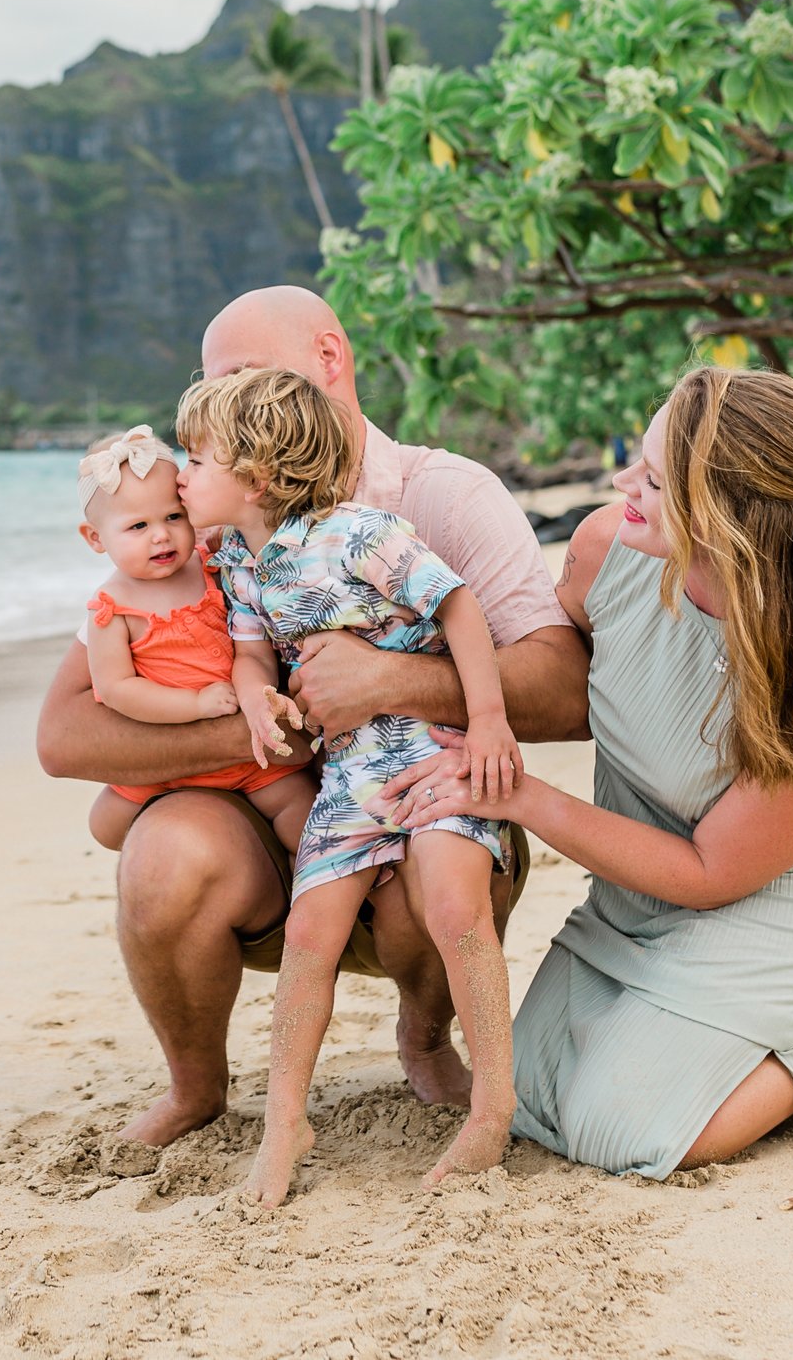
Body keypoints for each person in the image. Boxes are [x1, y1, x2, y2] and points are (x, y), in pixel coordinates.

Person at [34, 286, 590, 1147]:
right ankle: (199, 1088)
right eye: (213, 394)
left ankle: (426, 1038)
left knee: (433, 868)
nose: (226, 410)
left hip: (418, 791)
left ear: (329, 361)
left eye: (245, 378)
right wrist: (266, 720)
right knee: (162, 854)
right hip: (281, 815)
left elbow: (564, 687)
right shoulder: (201, 523)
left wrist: (390, 681)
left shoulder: (438, 498)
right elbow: (63, 736)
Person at [388, 366, 793, 1178]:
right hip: (638, 892)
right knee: (537, 1097)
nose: (624, 484)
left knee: (634, 1131)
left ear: (728, 515)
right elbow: (548, 676)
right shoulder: (603, 549)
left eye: (653, 477)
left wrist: (525, 796)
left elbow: (710, 870)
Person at [171, 368, 521, 1205]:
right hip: (351, 771)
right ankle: (285, 1116)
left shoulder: (362, 533)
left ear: (254, 476)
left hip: (435, 751)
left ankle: (492, 1105)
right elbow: (254, 647)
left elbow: (459, 608)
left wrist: (491, 720)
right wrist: (258, 695)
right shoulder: (243, 564)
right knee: (310, 931)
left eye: (196, 457)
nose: (180, 472)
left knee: (452, 906)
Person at [72, 424, 315, 853]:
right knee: (104, 824)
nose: (161, 535)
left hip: (247, 756)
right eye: (137, 526)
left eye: (173, 517)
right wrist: (195, 705)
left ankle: (317, 881)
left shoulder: (212, 566)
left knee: (300, 810)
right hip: (169, 762)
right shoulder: (112, 609)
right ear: (95, 538)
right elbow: (115, 689)